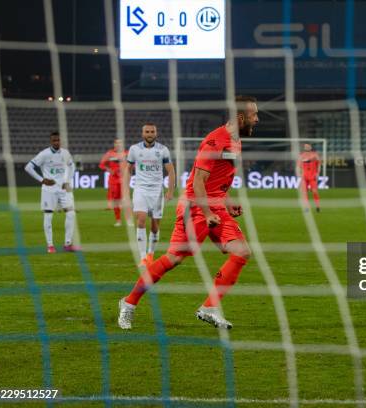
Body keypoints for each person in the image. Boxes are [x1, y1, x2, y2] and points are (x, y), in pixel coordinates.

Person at [118, 96, 259, 330]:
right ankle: (129, 303)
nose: (257, 119)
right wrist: (206, 213)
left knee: (241, 252)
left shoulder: (236, 141)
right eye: (254, 115)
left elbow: (219, 179)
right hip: (195, 207)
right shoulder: (215, 141)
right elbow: (198, 182)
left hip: (215, 206)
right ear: (241, 117)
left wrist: (228, 201)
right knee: (174, 259)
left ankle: (209, 308)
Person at [123, 123, 175, 266]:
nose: (150, 134)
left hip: (157, 191)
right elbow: (128, 169)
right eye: (147, 131)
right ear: (142, 134)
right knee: (140, 219)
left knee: (154, 226)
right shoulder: (134, 149)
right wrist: (126, 190)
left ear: (156, 133)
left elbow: (170, 171)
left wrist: (170, 191)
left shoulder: (163, 150)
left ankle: (151, 254)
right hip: (140, 189)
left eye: (152, 131)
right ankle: (143, 257)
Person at [25, 132, 78, 253]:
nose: (56, 142)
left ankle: (68, 244)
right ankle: (50, 245)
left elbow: (72, 166)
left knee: (71, 214)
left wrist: (68, 181)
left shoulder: (65, 153)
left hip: (64, 189)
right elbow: (28, 167)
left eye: (58, 140)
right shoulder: (44, 154)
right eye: (54, 140)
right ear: (50, 142)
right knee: (48, 215)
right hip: (49, 190)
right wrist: (42, 180)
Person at [99, 138, 129, 226]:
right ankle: (118, 220)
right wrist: (109, 170)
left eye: (120, 143)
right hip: (113, 181)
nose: (118, 145)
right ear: (114, 144)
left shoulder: (126, 153)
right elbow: (101, 164)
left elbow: (133, 164)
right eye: (117, 143)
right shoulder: (109, 153)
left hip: (124, 180)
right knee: (116, 200)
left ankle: (128, 220)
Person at [297, 143, 321, 212]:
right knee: (304, 193)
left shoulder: (315, 155)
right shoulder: (301, 155)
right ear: (304, 147)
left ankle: (317, 206)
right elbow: (298, 166)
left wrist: (318, 173)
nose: (307, 147)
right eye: (305, 146)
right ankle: (307, 208)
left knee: (314, 192)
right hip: (304, 177)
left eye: (308, 146)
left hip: (312, 176)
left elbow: (319, 164)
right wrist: (299, 173)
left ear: (310, 147)